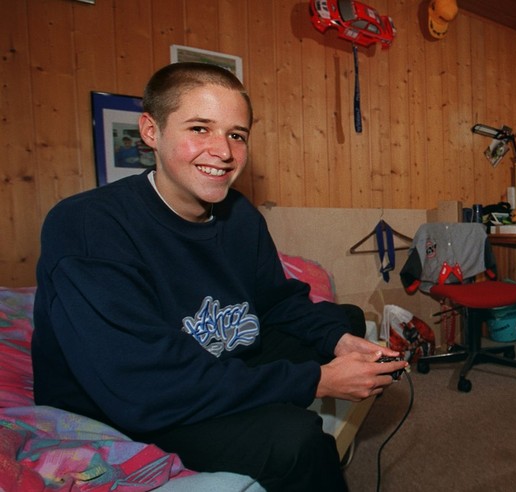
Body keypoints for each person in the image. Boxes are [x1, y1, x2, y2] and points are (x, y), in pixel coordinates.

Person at [31, 62, 407, 491]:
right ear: (151, 132)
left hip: (207, 358)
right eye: (199, 128)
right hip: (131, 397)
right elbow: (147, 385)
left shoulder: (239, 215)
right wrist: (318, 380)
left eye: (236, 134)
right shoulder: (87, 225)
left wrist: (337, 342)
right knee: (294, 438)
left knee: (345, 322)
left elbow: (277, 301)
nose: (223, 151)